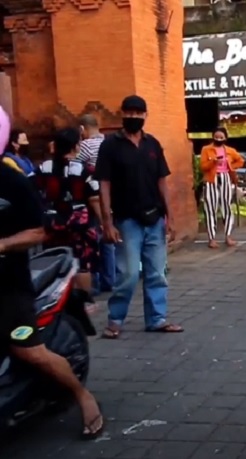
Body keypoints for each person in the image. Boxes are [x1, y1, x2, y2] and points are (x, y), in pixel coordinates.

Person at [0, 110, 104, 440]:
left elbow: (39, 232)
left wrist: (2, 244)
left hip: (8, 286)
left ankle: (83, 396)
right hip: (73, 229)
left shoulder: (12, 180)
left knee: (27, 349)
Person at [93, 95, 183, 338]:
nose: (133, 117)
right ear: (123, 114)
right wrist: (107, 222)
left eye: (138, 113)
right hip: (126, 221)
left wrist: (170, 218)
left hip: (154, 219)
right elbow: (104, 184)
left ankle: (157, 318)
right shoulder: (111, 145)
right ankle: (115, 320)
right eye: (129, 113)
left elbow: (162, 182)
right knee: (129, 274)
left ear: (145, 115)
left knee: (157, 273)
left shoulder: (152, 145)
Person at [32, 127, 102, 308]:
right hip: (79, 225)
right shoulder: (84, 170)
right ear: (76, 146)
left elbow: (31, 190)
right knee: (82, 263)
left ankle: (56, 301)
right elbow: (94, 198)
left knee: (54, 260)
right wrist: (105, 222)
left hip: (53, 223)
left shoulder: (43, 168)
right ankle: (84, 304)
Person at [76, 114, 115, 293]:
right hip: (111, 193)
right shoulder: (109, 143)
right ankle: (111, 278)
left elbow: (74, 167)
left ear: (83, 129)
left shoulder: (85, 145)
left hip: (93, 195)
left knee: (94, 238)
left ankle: (96, 281)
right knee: (109, 236)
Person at [199, 127, 244, 249]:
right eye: (216, 137)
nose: (218, 139)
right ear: (213, 137)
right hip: (211, 179)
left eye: (221, 137)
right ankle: (211, 238)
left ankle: (228, 235)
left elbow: (240, 161)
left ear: (225, 138)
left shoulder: (229, 150)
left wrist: (231, 166)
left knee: (227, 207)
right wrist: (213, 162)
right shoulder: (206, 149)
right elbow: (203, 166)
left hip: (225, 178)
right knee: (210, 208)